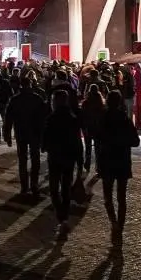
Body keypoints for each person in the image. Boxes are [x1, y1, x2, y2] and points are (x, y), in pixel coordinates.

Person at [94, 90, 141, 242]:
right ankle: (119, 226)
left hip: (107, 161)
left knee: (108, 197)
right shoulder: (124, 119)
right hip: (122, 161)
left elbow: (97, 138)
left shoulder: (103, 118)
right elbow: (135, 141)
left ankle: (114, 223)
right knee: (121, 197)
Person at [41, 89, 84, 225]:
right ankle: (64, 214)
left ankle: (61, 213)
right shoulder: (72, 118)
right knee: (66, 186)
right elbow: (77, 140)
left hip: (55, 156)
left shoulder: (52, 118)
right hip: (68, 156)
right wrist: (79, 157)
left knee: (54, 187)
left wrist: (44, 146)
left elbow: (46, 136)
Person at [6, 78, 47, 196]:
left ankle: (24, 185)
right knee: (35, 159)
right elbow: (44, 119)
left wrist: (8, 135)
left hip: (21, 133)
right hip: (34, 133)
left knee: (23, 160)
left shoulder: (15, 100)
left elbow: (8, 119)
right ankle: (34, 184)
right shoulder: (37, 99)